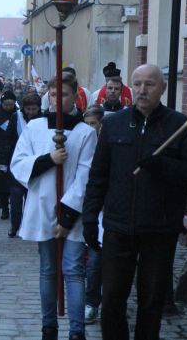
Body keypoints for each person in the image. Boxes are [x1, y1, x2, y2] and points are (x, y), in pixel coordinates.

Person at [83, 64, 187, 340]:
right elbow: (98, 175)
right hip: (117, 225)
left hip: (159, 229)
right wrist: (90, 217)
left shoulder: (178, 126)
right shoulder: (113, 124)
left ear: (162, 88)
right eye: (137, 84)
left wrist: (164, 165)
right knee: (112, 298)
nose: (142, 90)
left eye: (149, 84)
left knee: (151, 301)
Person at [10, 74, 97, 340]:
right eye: (53, 94)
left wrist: (67, 216)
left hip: (71, 211)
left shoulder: (86, 132)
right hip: (41, 206)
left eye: (65, 94)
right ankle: (49, 326)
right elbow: (19, 163)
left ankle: (76, 330)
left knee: (72, 269)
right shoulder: (35, 126)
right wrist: (49, 159)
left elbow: (85, 176)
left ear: (75, 96)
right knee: (48, 270)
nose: (58, 99)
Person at [4, 93, 42, 237]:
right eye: (28, 109)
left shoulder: (44, 119)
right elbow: (8, 139)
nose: (31, 112)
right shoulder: (16, 117)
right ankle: (15, 225)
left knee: (31, 196)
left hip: (35, 163)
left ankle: (28, 224)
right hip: (18, 162)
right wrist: (3, 161)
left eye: (34, 109)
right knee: (15, 195)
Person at [81, 104, 105, 325]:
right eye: (86, 124)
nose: (90, 129)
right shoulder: (81, 144)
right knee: (93, 262)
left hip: (107, 210)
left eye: (93, 124)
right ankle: (91, 302)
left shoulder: (107, 145)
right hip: (87, 210)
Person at [0, 90, 19, 221]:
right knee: (1, 182)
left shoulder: (19, 115)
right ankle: (4, 207)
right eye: (6, 104)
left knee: (14, 182)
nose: (8, 107)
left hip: (14, 151)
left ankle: (15, 208)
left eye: (11, 104)